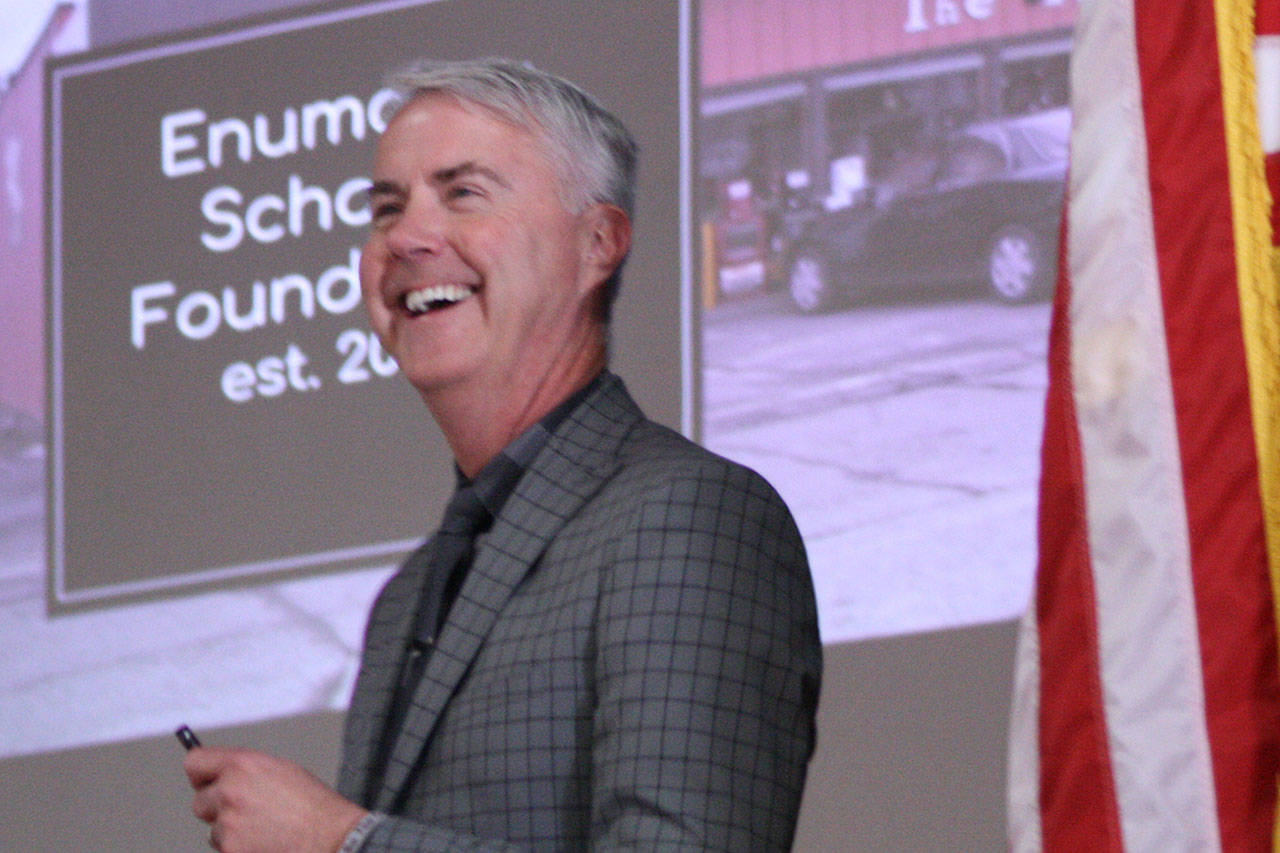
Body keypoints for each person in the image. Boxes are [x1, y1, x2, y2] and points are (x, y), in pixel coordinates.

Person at [184, 57, 821, 852]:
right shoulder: (408, 596)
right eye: (386, 208)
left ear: (598, 243)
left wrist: (341, 841)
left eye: (463, 193)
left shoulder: (689, 518)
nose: (407, 238)